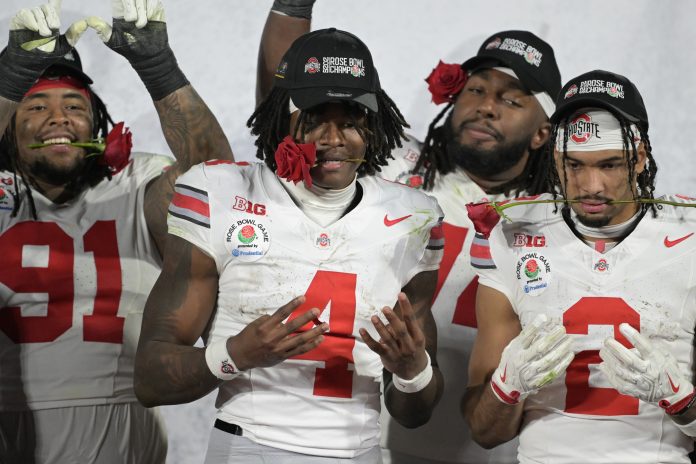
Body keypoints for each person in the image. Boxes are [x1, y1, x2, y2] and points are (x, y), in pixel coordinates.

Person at [254, 2, 561, 462]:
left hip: (486, 445)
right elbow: (288, 108)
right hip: (369, 434)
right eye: (476, 90)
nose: (487, 108)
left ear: (543, 133)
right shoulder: (393, 165)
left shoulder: (558, 216)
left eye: (511, 100)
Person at [134, 27, 444, 463]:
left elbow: (414, 413)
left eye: (351, 120)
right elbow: (150, 379)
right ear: (283, 119)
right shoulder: (220, 192)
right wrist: (236, 354)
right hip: (248, 446)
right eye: (314, 118)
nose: (333, 138)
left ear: (373, 130)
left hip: (361, 452)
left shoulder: (413, 218)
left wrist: (413, 373)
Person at [0, 0, 232, 462]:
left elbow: (218, 181)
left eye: (73, 104)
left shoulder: (135, 183)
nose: (59, 117)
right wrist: (9, 79)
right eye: (36, 104)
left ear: (95, 119)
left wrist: (159, 69)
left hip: (120, 419)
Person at [462, 69, 696, 463]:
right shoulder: (512, 232)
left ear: (639, 158)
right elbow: (484, 432)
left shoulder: (688, 235)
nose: (591, 187)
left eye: (609, 165)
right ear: (555, 158)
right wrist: (507, 385)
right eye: (574, 165)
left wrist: (680, 399)